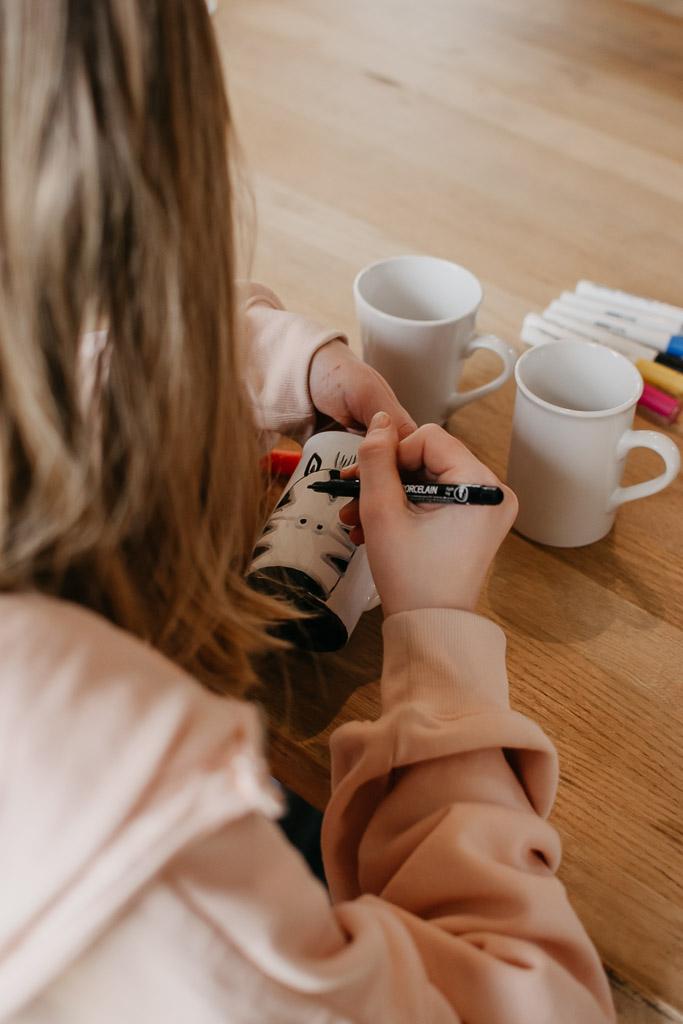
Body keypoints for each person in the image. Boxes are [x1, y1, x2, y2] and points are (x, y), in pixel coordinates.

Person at [0, 2, 615, 1022]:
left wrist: (290, 359)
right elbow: (535, 1002)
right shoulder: (107, 789)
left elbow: (74, 330)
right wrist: (440, 641)